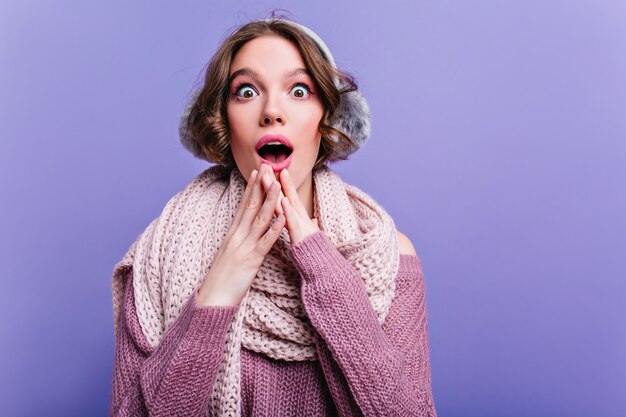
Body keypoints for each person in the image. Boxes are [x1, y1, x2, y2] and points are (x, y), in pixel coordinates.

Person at [109, 16, 437, 417]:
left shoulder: (387, 256)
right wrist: (219, 287)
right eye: (246, 91)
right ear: (224, 122)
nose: (272, 111)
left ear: (327, 120)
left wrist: (322, 266)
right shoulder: (161, 252)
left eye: (299, 91)